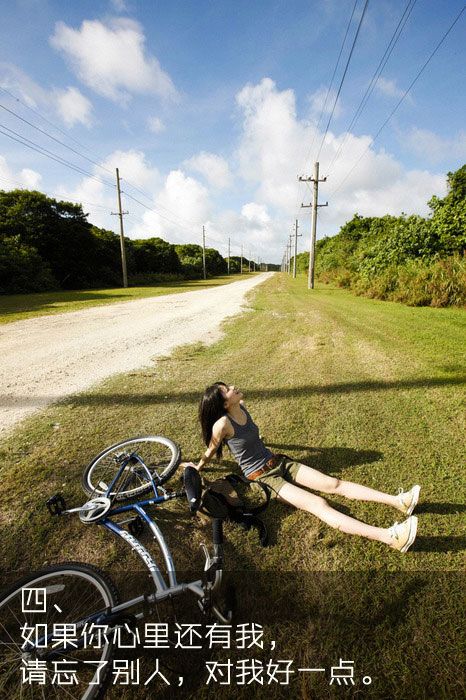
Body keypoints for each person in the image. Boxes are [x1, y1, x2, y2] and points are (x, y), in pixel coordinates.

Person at [184, 382, 420, 553]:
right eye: (227, 390)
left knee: (333, 484)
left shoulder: (242, 406)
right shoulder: (223, 424)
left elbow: (251, 436)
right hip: (264, 478)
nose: (233, 387)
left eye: (228, 386)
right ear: (224, 403)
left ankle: (399, 502)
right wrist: (197, 467)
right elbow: (211, 450)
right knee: (319, 504)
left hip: (278, 462)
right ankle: (390, 537)